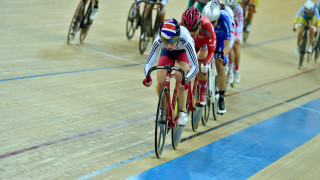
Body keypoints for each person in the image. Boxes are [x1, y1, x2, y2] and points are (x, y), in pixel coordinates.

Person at [143, 18, 199, 126]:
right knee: (161, 81)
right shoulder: (159, 39)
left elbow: (195, 67)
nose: (168, 46)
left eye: (171, 42)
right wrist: (147, 76)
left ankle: (183, 111)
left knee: (179, 76)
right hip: (168, 54)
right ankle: (164, 109)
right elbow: (149, 63)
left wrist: (186, 79)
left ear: (177, 37)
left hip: (183, 52)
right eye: (166, 42)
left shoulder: (186, 38)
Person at [181, 7, 217, 106]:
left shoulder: (207, 25)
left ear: (199, 26)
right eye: (188, 30)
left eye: (194, 29)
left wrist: (206, 63)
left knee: (200, 63)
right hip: (192, 44)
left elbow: (211, 51)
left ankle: (202, 91)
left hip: (203, 45)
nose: (191, 32)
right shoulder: (180, 26)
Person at [202, 1, 231, 114]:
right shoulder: (203, 20)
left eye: (214, 22)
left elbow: (227, 45)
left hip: (220, 41)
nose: (211, 24)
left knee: (220, 65)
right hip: (208, 39)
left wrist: (223, 56)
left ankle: (221, 98)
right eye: (209, 21)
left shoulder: (223, 19)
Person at [224, 0, 243, 83]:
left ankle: (236, 70)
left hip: (237, 30)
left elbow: (240, 24)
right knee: (229, 47)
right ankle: (230, 71)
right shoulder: (224, 8)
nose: (231, 8)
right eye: (229, 6)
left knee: (235, 46)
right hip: (230, 29)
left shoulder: (239, 9)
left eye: (232, 7)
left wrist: (236, 37)